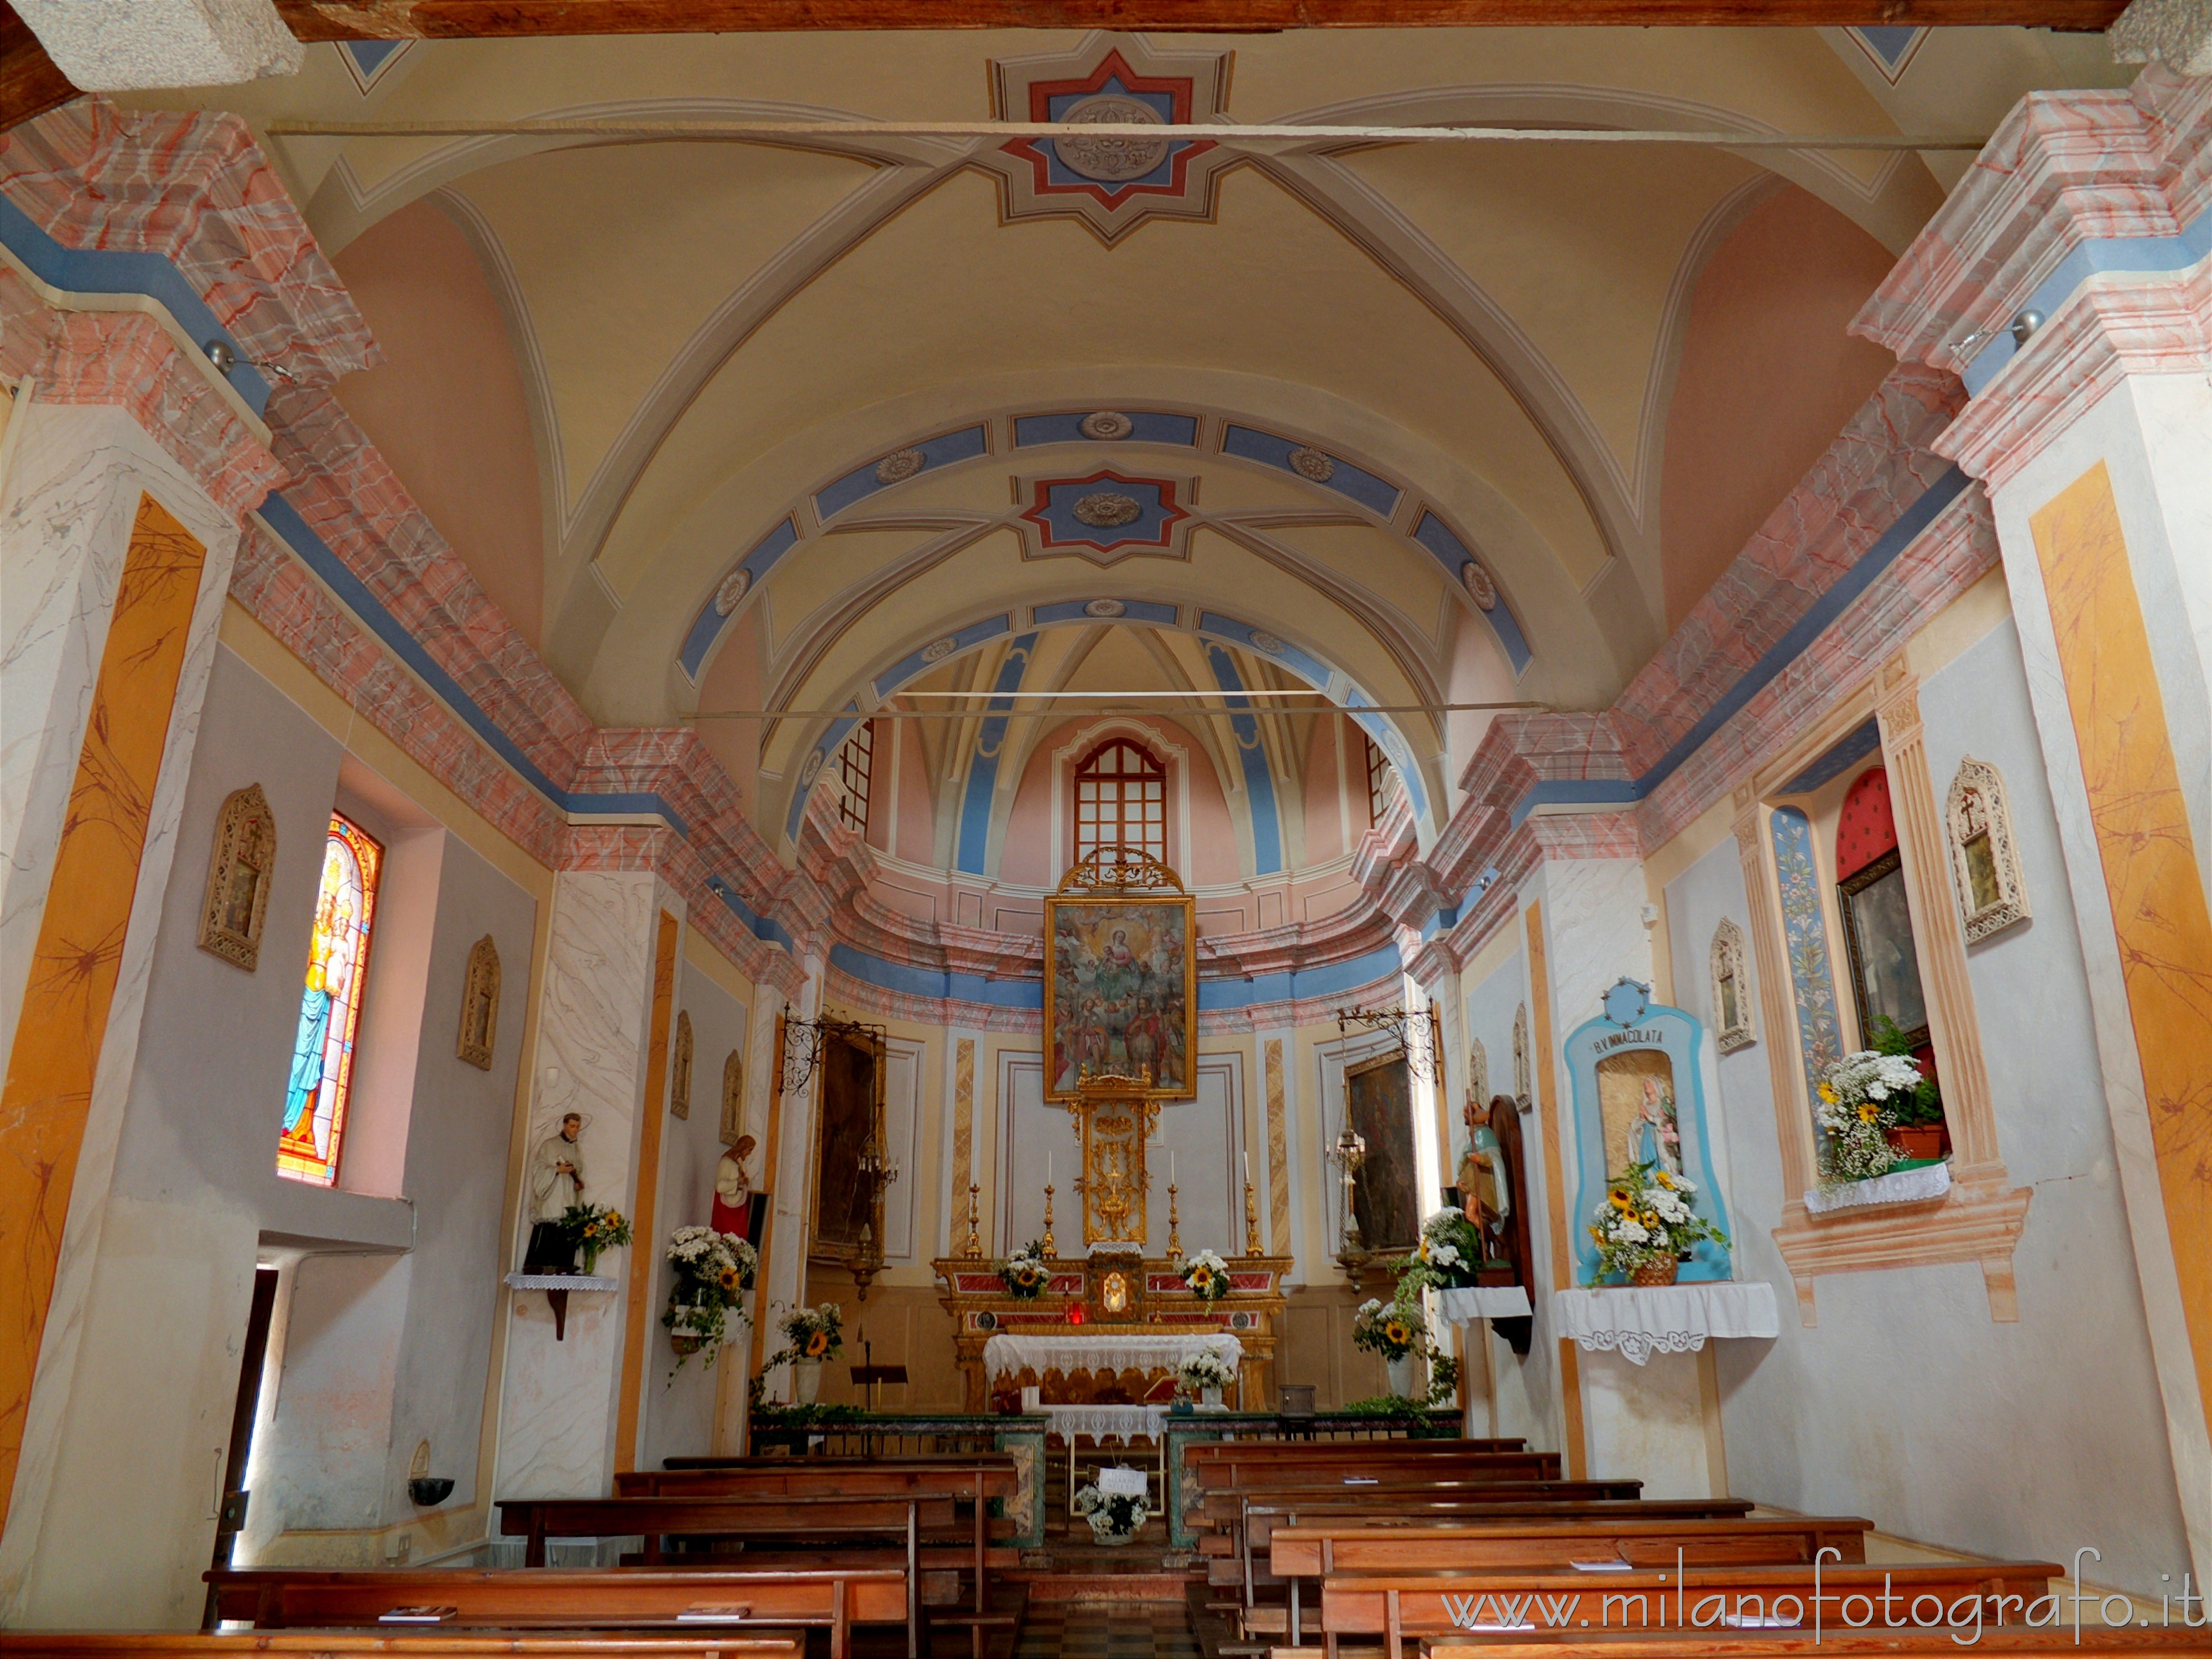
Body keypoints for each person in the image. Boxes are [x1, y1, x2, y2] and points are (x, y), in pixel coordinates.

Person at [523, 1112, 587, 1270]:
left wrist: (577, 1186)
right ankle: (539, 1264)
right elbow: (538, 1168)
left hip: (568, 1196)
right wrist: (557, 1170)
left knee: (567, 1226)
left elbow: (577, 1171)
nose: (575, 1130)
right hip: (553, 1195)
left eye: (578, 1127)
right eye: (572, 1126)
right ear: (565, 1125)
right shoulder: (549, 1145)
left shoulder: (575, 1148)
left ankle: (564, 1264)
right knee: (549, 1227)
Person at [712, 1135, 758, 1239]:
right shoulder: (726, 1162)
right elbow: (720, 1186)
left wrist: (743, 1182)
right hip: (728, 1211)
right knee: (728, 1237)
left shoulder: (737, 1163)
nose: (750, 1153)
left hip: (737, 1208)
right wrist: (739, 1181)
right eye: (749, 1150)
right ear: (742, 1147)